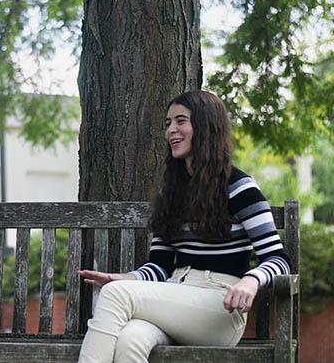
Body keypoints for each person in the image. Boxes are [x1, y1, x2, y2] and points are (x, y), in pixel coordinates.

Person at [77, 90, 291, 363]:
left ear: (205, 127)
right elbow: (159, 267)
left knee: (115, 296)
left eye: (181, 121)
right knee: (130, 339)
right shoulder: (172, 195)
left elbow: (278, 259)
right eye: (168, 123)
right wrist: (125, 279)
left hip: (220, 308)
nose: (171, 131)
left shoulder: (240, 188)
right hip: (176, 297)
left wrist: (251, 279)